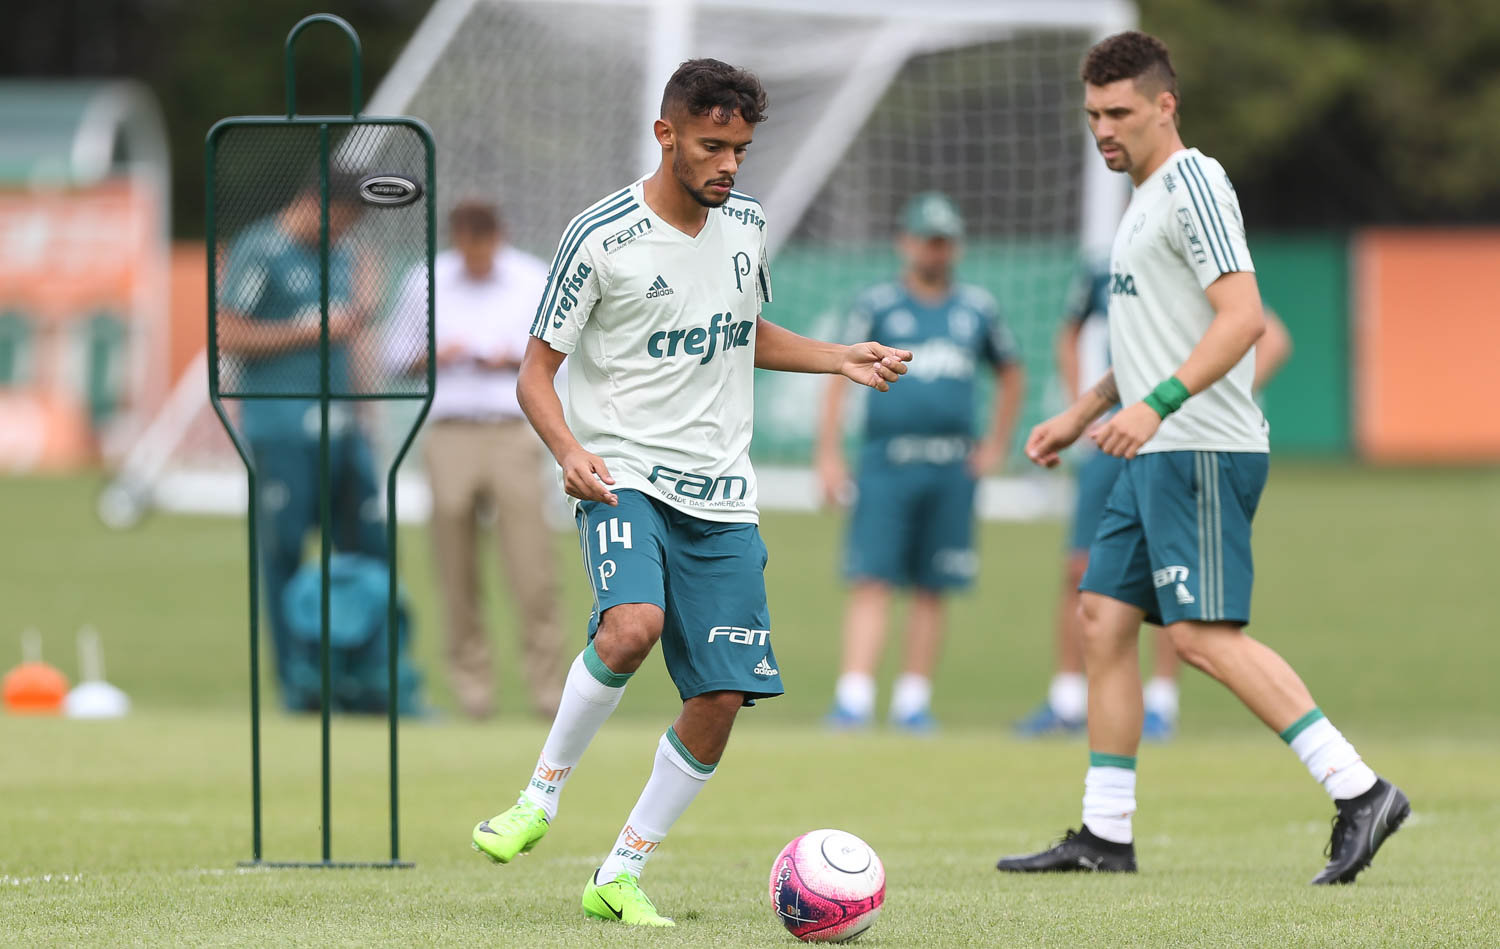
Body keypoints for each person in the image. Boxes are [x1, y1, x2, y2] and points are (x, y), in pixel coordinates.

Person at [468, 59, 912, 926]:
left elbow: (738, 331)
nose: (729, 166)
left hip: (723, 497)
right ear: (667, 134)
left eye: (741, 149)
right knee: (633, 624)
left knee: (720, 694)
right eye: (713, 146)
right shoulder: (600, 235)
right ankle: (539, 797)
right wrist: (566, 449)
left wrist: (840, 356)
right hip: (622, 470)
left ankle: (620, 872)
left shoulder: (744, 225)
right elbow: (534, 374)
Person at [997, 31, 1406, 884]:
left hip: (1201, 449)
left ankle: (1359, 788)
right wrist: (1084, 408)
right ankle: (1106, 833)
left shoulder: (1194, 182)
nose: (1102, 129)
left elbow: (1244, 318)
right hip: (1151, 449)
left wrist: (1157, 404)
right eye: (1092, 115)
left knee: (1202, 638)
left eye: (1118, 112)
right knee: (1102, 620)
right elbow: (1158, 336)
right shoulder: (1140, 198)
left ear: (1164, 105)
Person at [1015, 268, 1292, 740]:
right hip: (1113, 431)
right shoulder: (1110, 261)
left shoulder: (1195, 248)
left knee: (1179, 591)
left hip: (1175, 435)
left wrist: (1219, 393)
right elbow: (1092, 342)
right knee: (1085, 576)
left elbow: (1264, 331)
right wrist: (1080, 409)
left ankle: (1163, 701)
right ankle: (1069, 703)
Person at [817, 192, 1025, 732]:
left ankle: (913, 699)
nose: (938, 251)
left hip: (951, 465)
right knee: (872, 574)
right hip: (887, 459)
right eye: (929, 240)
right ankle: (854, 697)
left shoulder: (976, 308)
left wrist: (996, 445)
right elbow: (839, 375)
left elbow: (1010, 370)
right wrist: (829, 454)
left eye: (946, 240)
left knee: (935, 582)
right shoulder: (879, 305)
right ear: (906, 243)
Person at [217, 174, 390, 710]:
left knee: (369, 547)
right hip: (280, 425)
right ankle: (300, 681)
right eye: (343, 220)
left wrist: (368, 409)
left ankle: (363, 675)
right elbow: (226, 330)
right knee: (285, 552)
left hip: (342, 426)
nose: (346, 232)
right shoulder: (261, 249)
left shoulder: (340, 255)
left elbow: (350, 333)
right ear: (316, 205)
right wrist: (312, 330)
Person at [389, 201, 564, 720]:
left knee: (532, 568)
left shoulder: (532, 278)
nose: (476, 256)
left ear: (499, 236)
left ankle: (548, 692)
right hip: (450, 431)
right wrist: (434, 354)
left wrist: (508, 356)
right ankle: (473, 692)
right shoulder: (427, 280)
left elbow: (558, 353)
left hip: (513, 428)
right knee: (455, 566)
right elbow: (393, 357)